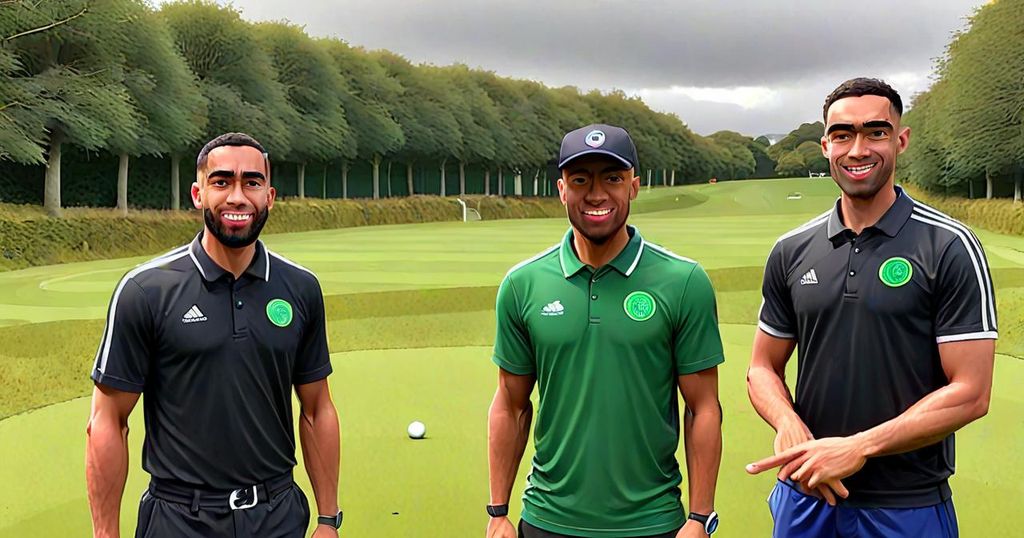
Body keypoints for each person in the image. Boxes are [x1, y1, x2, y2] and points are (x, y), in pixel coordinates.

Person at [745, 78, 996, 537]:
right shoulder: (791, 249)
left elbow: (972, 393)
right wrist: (788, 424)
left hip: (905, 506)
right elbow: (762, 367)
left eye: (875, 132)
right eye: (843, 135)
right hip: (805, 497)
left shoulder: (949, 246)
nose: (858, 149)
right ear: (825, 145)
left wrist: (859, 446)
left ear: (901, 140)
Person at [85, 133, 343, 538]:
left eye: (252, 183)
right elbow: (108, 420)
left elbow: (317, 409)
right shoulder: (144, 291)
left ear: (270, 196)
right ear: (198, 193)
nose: (237, 197)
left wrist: (328, 520)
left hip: (277, 516)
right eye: (222, 182)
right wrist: (105, 535)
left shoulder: (301, 287)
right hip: (179, 520)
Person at [486, 124, 725, 538]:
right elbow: (511, 404)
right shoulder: (522, 284)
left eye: (612, 178)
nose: (596, 194)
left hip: (653, 522)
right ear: (562, 189)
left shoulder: (684, 281)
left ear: (633, 186)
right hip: (547, 520)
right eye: (581, 180)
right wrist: (498, 512)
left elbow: (703, 407)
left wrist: (700, 517)